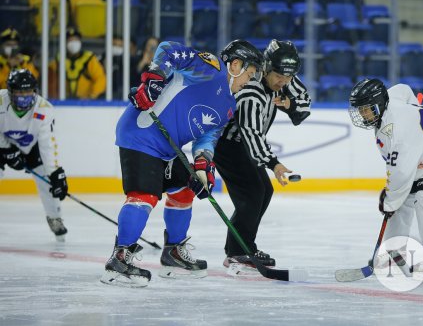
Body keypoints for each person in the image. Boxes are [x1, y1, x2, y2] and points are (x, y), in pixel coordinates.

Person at [101, 39, 264, 287]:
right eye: (250, 74)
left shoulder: (229, 106)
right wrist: (154, 78)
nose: (249, 82)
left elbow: (207, 138)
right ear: (236, 64)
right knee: (144, 195)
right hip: (141, 133)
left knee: (185, 189)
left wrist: (202, 165)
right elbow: (168, 49)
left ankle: (173, 252)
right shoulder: (212, 67)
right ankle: (120, 259)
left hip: (167, 148)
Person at [348, 78, 423, 281]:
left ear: (380, 104)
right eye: (361, 110)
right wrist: (393, 197)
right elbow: (404, 89)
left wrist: (390, 200)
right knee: (403, 198)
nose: (363, 114)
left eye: (367, 109)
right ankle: (393, 251)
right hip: (422, 143)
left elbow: (400, 172)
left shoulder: (398, 129)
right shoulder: (389, 100)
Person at [214, 39, 311, 271]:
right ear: (267, 67)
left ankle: (243, 247)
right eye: (279, 76)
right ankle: (238, 251)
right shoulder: (251, 90)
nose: (284, 82)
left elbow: (304, 103)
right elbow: (251, 134)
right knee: (252, 193)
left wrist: (290, 105)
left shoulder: (282, 77)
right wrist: (274, 163)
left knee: (263, 191)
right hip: (228, 146)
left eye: (288, 78)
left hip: (244, 146)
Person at [0, 69, 69, 240]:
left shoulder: (44, 109)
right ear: (10, 92)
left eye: (28, 91)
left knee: (47, 182)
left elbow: (47, 143)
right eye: (20, 92)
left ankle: (55, 217)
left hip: (31, 148)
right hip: (3, 146)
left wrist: (55, 172)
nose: (24, 96)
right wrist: (6, 149)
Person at [48, 27, 106, 99]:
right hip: (64, 101)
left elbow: (100, 79)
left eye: (76, 40)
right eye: (70, 40)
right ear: (65, 43)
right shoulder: (59, 59)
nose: (73, 43)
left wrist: (92, 96)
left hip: (87, 102)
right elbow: (49, 78)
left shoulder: (89, 58)